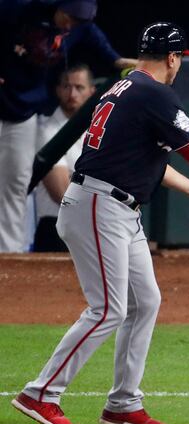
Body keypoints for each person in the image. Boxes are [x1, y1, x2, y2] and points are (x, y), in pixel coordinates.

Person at [10, 22, 189, 424]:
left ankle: (123, 404)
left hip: (115, 206)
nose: (180, 64)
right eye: (180, 57)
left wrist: (188, 188)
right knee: (108, 309)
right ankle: (41, 392)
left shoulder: (125, 87)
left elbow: (145, 157)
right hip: (99, 204)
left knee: (145, 300)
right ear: (171, 58)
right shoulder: (154, 93)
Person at [0, 0, 136, 253]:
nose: (71, 24)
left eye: (79, 20)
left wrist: (122, 62)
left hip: (22, 111)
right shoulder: (19, 9)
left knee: (15, 186)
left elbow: (105, 51)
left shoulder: (80, 27)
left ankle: (8, 254)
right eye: (69, 16)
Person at [32, 64, 96, 252]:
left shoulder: (98, 131)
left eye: (79, 87)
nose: (72, 93)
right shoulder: (47, 131)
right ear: (58, 90)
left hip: (92, 226)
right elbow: (61, 191)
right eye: (67, 87)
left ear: (92, 92)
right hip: (56, 228)